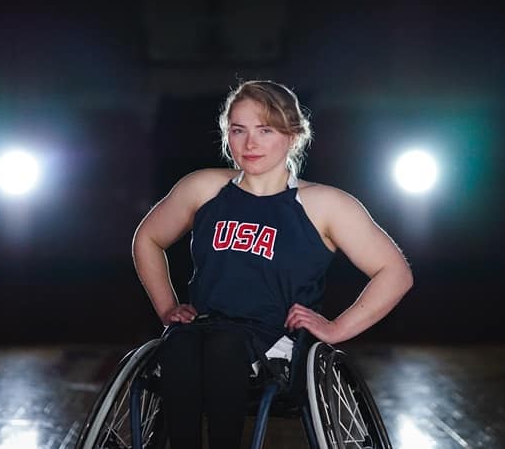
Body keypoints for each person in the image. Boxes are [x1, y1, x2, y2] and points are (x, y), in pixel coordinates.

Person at [132, 79, 413, 449]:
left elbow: (395, 273)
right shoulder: (203, 188)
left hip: (274, 342)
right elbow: (147, 240)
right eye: (238, 130)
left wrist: (336, 328)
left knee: (223, 348)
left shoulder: (324, 204)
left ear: (293, 135)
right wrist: (167, 306)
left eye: (265, 130)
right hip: (205, 327)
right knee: (178, 348)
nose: (250, 144)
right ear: (226, 134)